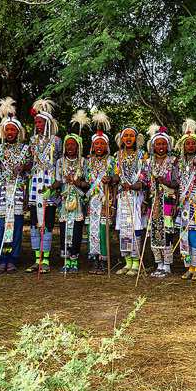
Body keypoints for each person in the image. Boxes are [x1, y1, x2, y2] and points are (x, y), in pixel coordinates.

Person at [0, 97, 32, 274]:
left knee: (16, 227)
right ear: (3, 131)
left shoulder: (26, 149)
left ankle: (13, 259)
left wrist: (24, 166)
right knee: (1, 226)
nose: (10, 132)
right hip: (2, 193)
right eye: (7, 129)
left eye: (13, 130)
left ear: (18, 132)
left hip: (17, 191)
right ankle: (2, 258)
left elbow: (30, 169)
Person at [26, 99, 62, 273]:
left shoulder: (56, 141)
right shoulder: (32, 141)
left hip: (49, 184)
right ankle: (36, 259)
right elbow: (28, 162)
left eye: (40, 122)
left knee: (47, 221)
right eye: (36, 122)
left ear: (47, 122)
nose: (38, 125)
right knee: (34, 222)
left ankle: (45, 259)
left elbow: (60, 163)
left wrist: (56, 185)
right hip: (35, 184)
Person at [140, 125, 179, 278]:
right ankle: (159, 264)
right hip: (153, 202)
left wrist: (166, 182)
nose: (161, 147)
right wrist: (144, 202)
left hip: (168, 202)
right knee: (154, 233)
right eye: (158, 144)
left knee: (167, 233)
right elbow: (144, 183)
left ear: (168, 145)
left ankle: (167, 265)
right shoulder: (148, 162)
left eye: (163, 144)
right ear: (153, 145)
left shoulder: (173, 161)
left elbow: (177, 183)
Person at [54, 111, 89, 273]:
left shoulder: (83, 162)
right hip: (64, 202)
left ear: (78, 146)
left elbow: (87, 183)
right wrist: (48, 190)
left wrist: (77, 182)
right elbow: (58, 180)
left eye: (73, 145)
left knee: (75, 231)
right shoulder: (60, 162)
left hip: (78, 203)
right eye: (67, 144)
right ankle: (66, 260)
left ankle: (74, 261)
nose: (69, 147)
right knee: (64, 231)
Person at [175, 119, 196, 281]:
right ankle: (188, 267)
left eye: (192, 144)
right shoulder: (179, 162)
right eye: (187, 144)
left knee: (195, 234)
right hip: (183, 204)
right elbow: (176, 183)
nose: (190, 146)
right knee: (184, 235)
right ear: (183, 146)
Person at [112, 125, 147, 276]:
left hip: (136, 197)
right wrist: (110, 179)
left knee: (136, 228)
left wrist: (133, 186)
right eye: (125, 135)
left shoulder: (142, 156)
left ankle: (136, 262)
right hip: (122, 197)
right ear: (121, 138)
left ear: (136, 138)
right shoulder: (118, 155)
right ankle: (127, 262)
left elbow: (144, 179)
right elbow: (116, 176)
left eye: (131, 136)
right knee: (124, 230)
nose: (128, 138)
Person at [84, 111, 115, 275]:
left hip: (105, 199)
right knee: (92, 230)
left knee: (103, 230)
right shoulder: (88, 162)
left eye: (102, 144)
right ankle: (94, 260)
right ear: (93, 146)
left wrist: (110, 179)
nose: (99, 147)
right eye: (97, 144)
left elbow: (116, 177)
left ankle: (104, 260)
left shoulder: (111, 161)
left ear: (107, 146)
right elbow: (84, 181)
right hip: (92, 200)